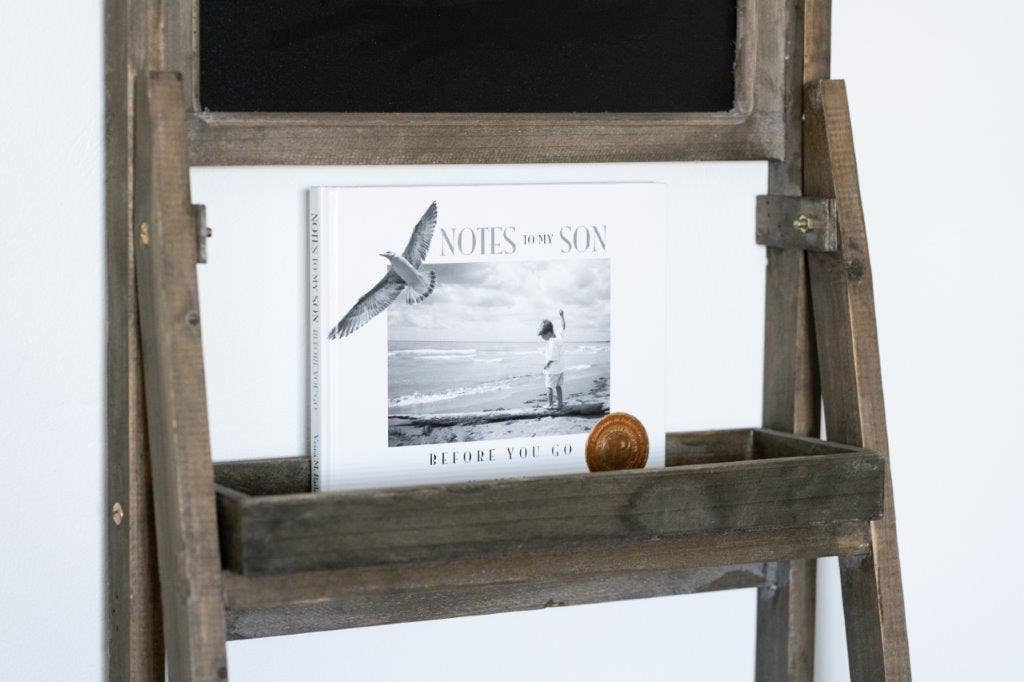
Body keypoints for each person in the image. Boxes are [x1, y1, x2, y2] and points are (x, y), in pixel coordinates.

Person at [538, 309, 566, 409]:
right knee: (558, 386)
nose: (542, 338)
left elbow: (552, 357)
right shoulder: (558, 334)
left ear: (549, 333)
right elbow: (563, 326)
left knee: (549, 386)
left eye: (543, 335)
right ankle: (560, 403)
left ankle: (550, 404)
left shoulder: (552, 343)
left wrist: (546, 365)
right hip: (560, 368)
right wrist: (562, 316)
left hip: (553, 369)